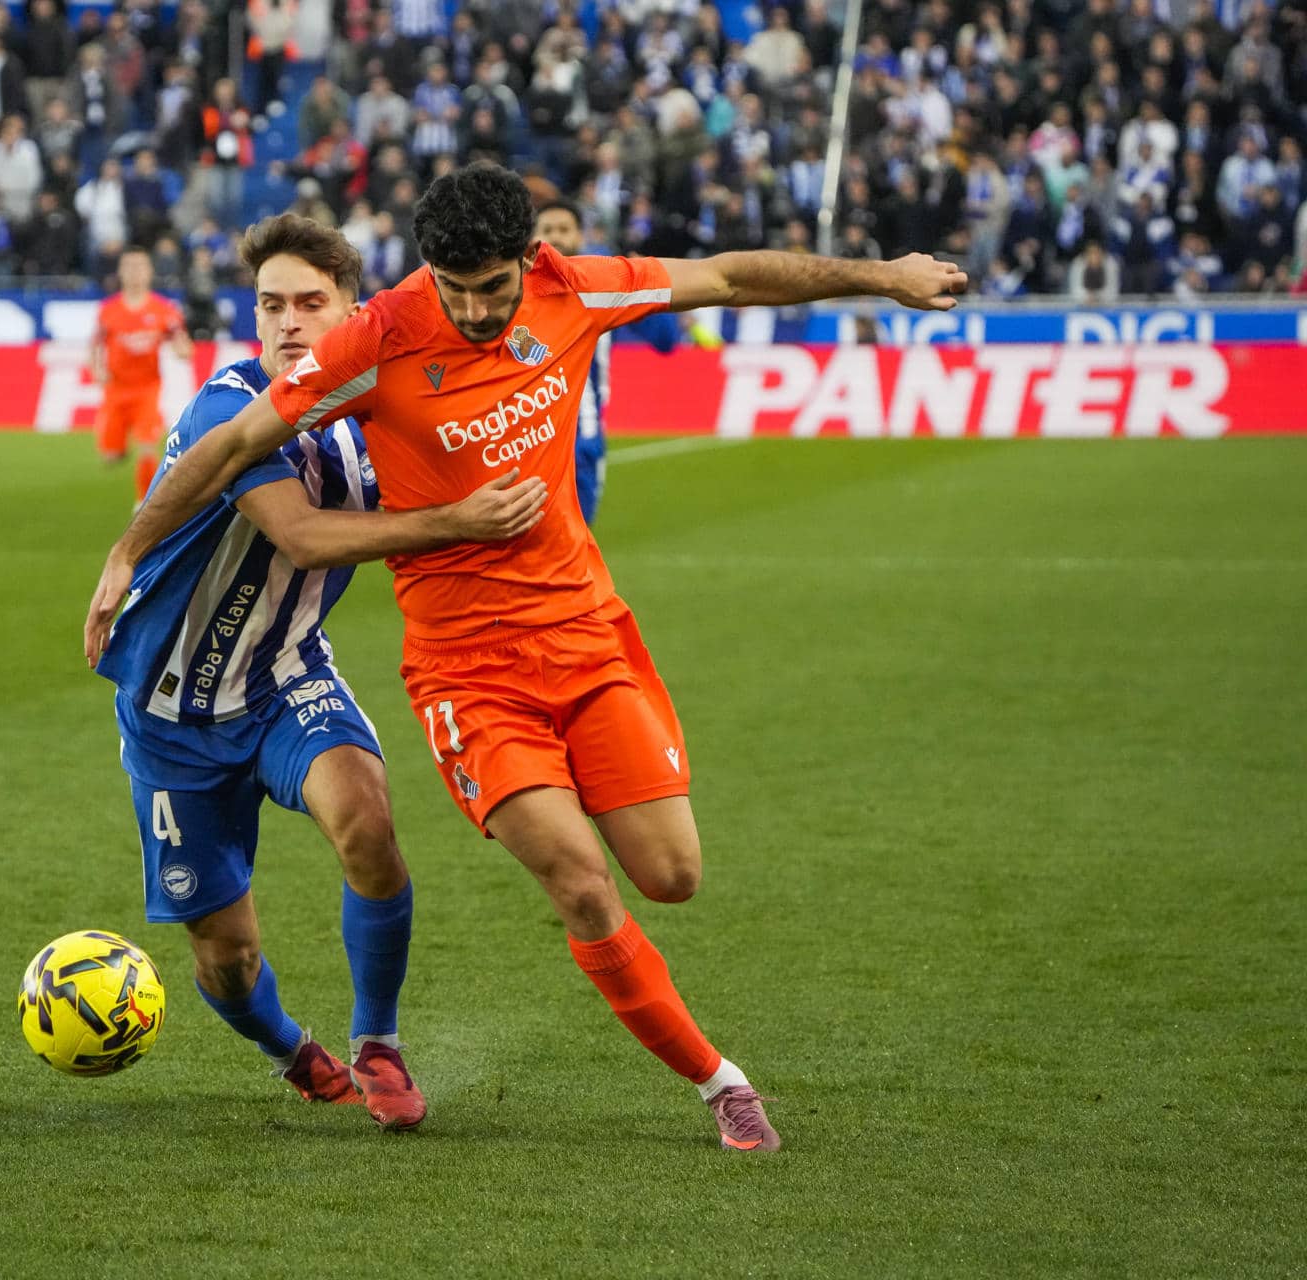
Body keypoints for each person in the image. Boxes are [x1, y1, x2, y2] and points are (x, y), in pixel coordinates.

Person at [87, 163, 968, 1154]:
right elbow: (235, 452)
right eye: (451, 288)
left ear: (528, 262)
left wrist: (883, 276)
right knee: (560, 884)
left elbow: (725, 276)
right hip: (444, 675)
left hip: (569, 639)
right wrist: (127, 545)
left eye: (490, 290)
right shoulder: (372, 347)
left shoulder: (575, 288)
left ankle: (377, 1027)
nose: (470, 310)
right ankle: (717, 1082)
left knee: (669, 873)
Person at [91, 214, 547, 1130]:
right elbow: (300, 534)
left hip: (285, 679)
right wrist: (460, 518)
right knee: (226, 958)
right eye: (272, 305)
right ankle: (292, 1050)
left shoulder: (378, 409)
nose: (290, 322)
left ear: (352, 311)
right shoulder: (231, 408)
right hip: (173, 716)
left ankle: (377, 1042)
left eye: (311, 303)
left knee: (368, 822)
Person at [530, 199, 680, 525]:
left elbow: (666, 341)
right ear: (532, 239)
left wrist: (648, 285)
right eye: (547, 230)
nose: (556, 237)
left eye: (564, 230)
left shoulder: (604, 283)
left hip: (582, 442)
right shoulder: (515, 289)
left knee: (575, 549)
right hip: (525, 445)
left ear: (580, 236)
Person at [91, 246, 194, 502]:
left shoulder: (164, 310)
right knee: (110, 456)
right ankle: (117, 445)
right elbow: (95, 344)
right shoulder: (108, 310)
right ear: (121, 272)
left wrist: (183, 349)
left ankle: (144, 503)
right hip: (115, 389)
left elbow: (182, 342)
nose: (135, 272)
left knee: (148, 446)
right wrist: (96, 368)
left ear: (149, 272)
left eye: (140, 266)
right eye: (130, 266)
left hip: (147, 388)